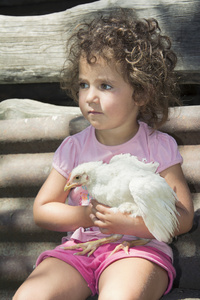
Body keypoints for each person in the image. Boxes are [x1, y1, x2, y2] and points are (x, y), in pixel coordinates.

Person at [13, 7, 194, 300]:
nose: (89, 97)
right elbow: (42, 209)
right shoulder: (74, 148)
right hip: (79, 251)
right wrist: (86, 215)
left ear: (141, 92)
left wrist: (130, 224)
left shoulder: (156, 146)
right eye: (84, 84)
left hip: (138, 249)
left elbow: (182, 217)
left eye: (105, 85)